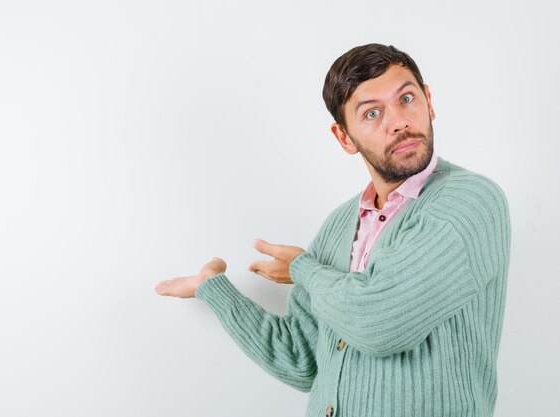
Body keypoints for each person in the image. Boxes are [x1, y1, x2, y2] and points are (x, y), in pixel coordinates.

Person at [155, 43, 511, 417]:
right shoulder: (340, 225)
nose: (400, 121)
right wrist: (214, 289)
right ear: (345, 138)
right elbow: (302, 359)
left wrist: (302, 269)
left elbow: (380, 322)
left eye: (407, 98)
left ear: (429, 102)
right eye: (372, 113)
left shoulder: (470, 200)